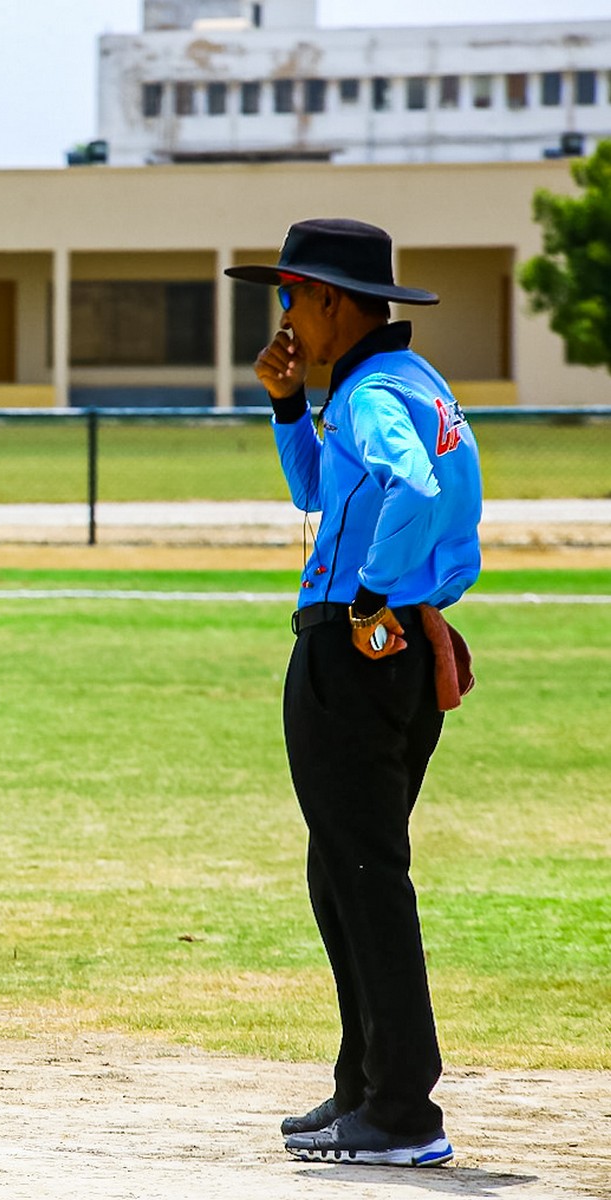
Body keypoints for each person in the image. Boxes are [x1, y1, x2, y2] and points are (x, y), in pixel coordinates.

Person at [225, 219, 481, 1167]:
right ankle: (364, 1087)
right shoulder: (412, 382)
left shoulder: (372, 393)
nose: (285, 314)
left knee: (363, 877)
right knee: (342, 874)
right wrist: (287, 405)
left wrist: (371, 595)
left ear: (330, 299)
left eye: (290, 295)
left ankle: (404, 1112)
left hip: (355, 645)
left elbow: (409, 487)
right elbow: (317, 496)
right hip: (402, 648)